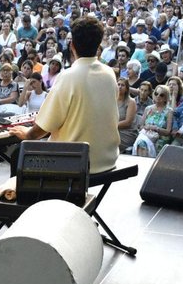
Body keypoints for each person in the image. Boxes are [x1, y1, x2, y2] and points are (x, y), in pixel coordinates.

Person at [10, 16, 120, 174]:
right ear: (98, 45)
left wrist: (26, 133)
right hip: (107, 159)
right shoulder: (109, 73)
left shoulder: (68, 76)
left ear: (72, 45)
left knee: (18, 155)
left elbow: (42, 129)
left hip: (74, 163)